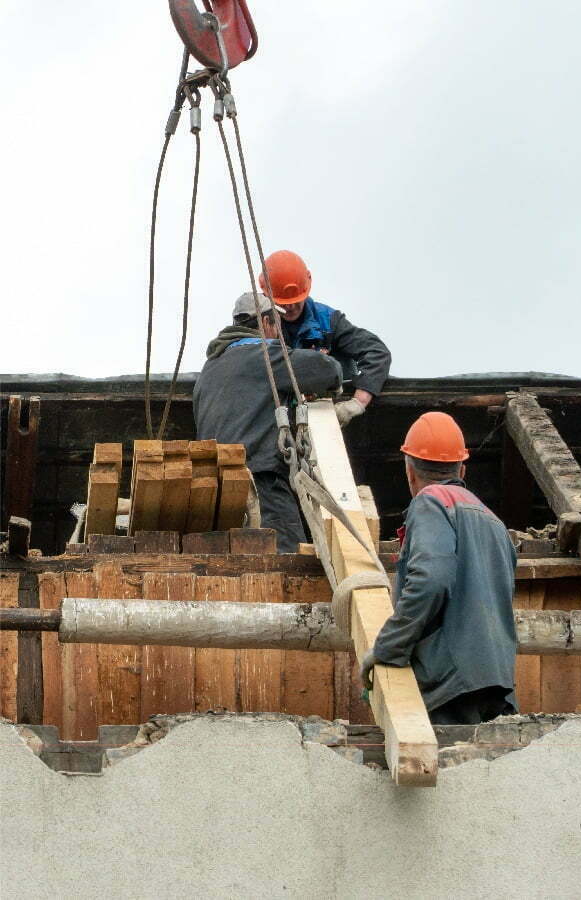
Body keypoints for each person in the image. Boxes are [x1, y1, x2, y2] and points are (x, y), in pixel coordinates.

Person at [360, 411, 518, 725]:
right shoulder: (494, 522)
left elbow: (430, 579)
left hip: (448, 684)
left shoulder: (430, 502)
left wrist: (387, 649)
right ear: (462, 468)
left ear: (409, 471)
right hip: (495, 683)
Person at [192, 292, 342, 552]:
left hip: (213, 494)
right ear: (265, 322)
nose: (280, 335)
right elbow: (327, 370)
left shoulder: (209, 370)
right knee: (288, 566)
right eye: (277, 326)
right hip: (261, 486)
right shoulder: (266, 355)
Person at [258, 250, 391, 428]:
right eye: (283, 301)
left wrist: (357, 403)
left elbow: (376, 353)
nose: (290, 306)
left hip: (327, 416)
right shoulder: (258, 327)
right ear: (266, 294)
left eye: (297, 299)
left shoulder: (328, 321)